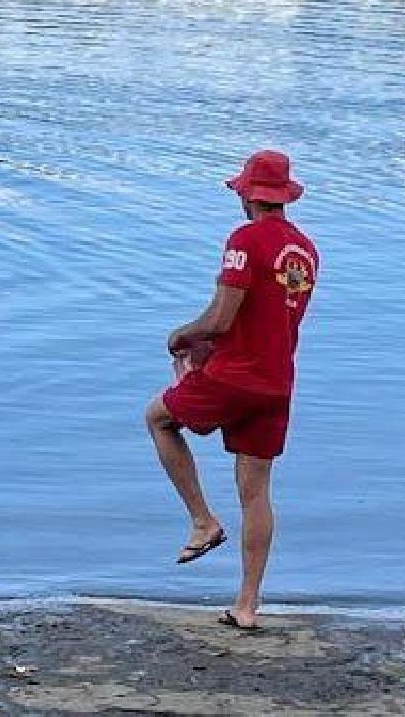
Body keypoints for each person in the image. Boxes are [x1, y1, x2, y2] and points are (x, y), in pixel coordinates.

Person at [144, 150, 319, 632]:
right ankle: (246, 606)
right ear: (283, 196)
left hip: (235, 376)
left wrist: (183, 334)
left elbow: (222, 318)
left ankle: (202, 520)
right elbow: (267, 318)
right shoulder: (305, 250)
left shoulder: (244, 239)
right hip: (276, 382)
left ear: (248, 194)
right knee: (257, 491)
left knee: (158, 418)